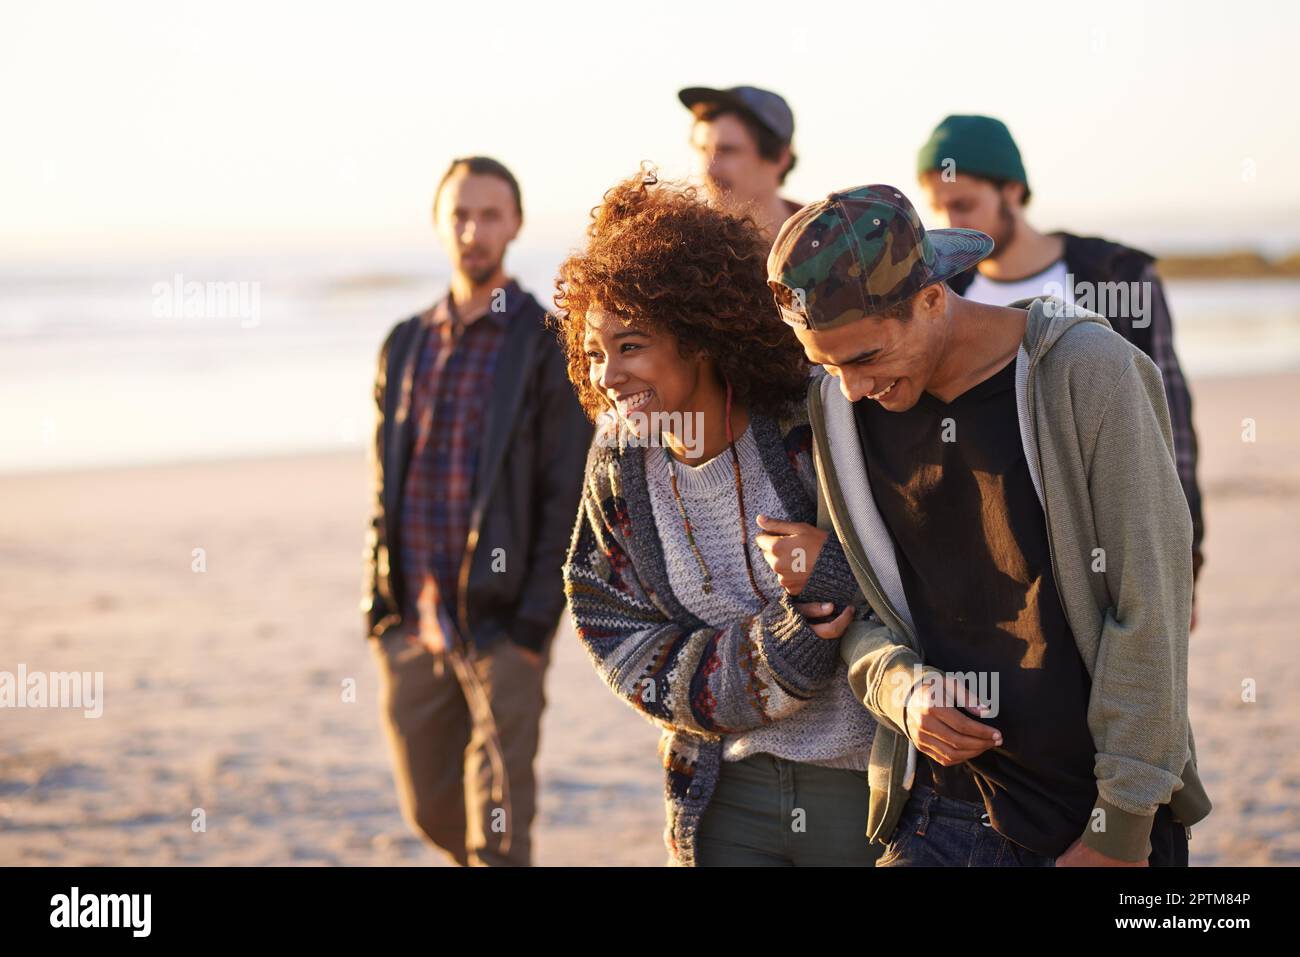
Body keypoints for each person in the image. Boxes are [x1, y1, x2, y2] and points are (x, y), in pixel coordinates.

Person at [763, 184, 1212, 866]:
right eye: (826, 363)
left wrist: (1119, 826)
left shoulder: (1089, 374)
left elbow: (1150, 605)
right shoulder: (840, 407)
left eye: (864, 358)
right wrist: (903, 690)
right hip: (933, 813)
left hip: (1090, 812)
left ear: (934, 297)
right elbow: (862, 608)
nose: (852, 387)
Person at [556, 168, 879, 867]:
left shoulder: (810, 421)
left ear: (697, 337)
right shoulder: (619, 461)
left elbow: (906, 564)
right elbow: (612, 627)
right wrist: (781, 649)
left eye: (630, 345)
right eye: (593, 353)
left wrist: (833, 571)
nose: (608, 375)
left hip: (856, 784)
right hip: (719, 789)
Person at [363, 156, 590, 866]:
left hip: (503, 627)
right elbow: (383, 485)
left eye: (490, 214)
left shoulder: (544, 344)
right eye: (460, 213)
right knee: (429, 806)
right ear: (439, 221)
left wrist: (532, 624)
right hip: (415, 620)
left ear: (515, 224)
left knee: (496, 829)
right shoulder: (405, 343)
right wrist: (380, 604)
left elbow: (567, 494)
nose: (473, 229)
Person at [916, 114, 1205, 598]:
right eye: (940, 210)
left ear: (1011, 190)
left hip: (1112, 534)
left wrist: (1185, 557)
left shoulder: (1116, 275)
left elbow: (1169, 421)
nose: (952, 225)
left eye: (964, 204)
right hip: (996, 556)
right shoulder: (945, 294)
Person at [678, 85, 802, 244]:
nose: (709, 169)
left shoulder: (832, 245)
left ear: (780, 157)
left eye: (727, 150)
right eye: (703, 150)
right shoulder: (685, 248)